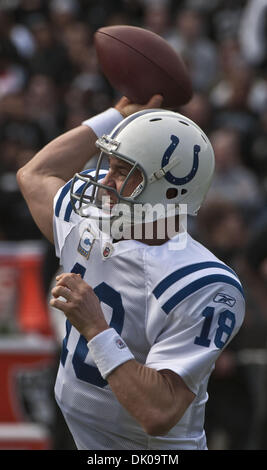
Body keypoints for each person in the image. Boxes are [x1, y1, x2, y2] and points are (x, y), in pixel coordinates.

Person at [17, 94, 245, 450]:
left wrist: (96, 328)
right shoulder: (93, 217)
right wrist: (116, 115)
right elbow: (35, 174)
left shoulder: (204, 282)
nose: (105, 180)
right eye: (109, 164)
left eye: (122, 170)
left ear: (168, 191)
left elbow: (159, 412)